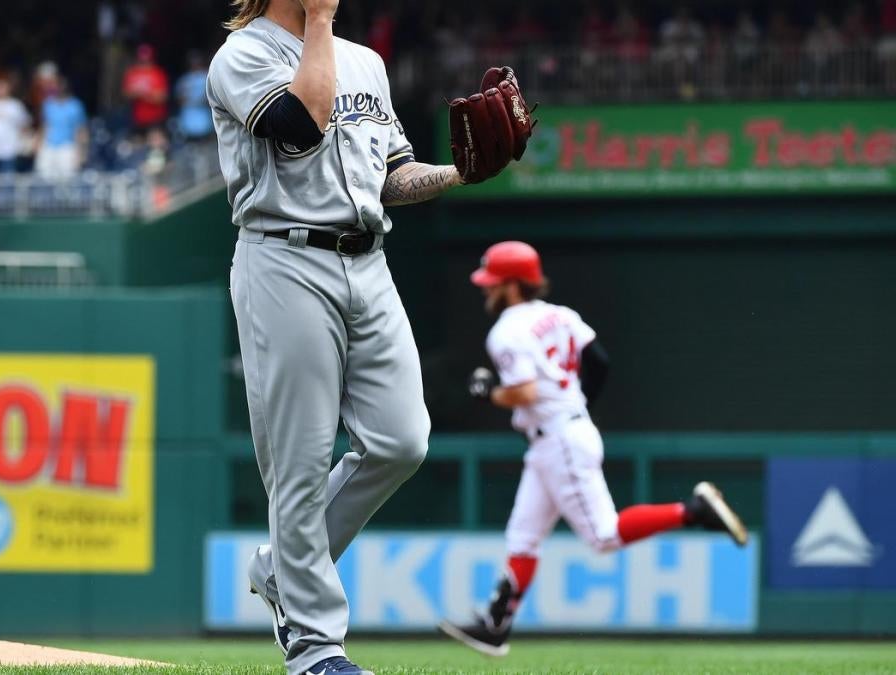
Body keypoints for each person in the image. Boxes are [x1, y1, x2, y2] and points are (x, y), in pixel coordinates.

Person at [207, 0, 469, 672]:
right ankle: (315, 645)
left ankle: (281, 568)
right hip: (283, 256)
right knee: (298, 460)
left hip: (367, 259)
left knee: (402, 438)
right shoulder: (244, 55)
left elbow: (393, 177)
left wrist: (462, 173)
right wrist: (318, 23)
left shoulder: (366, 62)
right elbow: (300, 124)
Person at [439, 241, 749, 658]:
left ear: (512, 285)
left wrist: (489, 393)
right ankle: (496, 626)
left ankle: (692, 510)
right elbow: (599, 361)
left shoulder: (506, 332)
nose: (486, 290)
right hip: (562, 434)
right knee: (523, 537)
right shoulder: (561, 315)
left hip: (558, 438)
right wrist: (580, 407)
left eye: (492, 283)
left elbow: (525, 391)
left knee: (603, 535)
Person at [36, 77, 88, 180]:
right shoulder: (48, 104)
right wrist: (38, 145)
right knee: (43, 177)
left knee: (67, 179)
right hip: (49, 146)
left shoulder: (75, 105)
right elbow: (44, 126)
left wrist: (81, 152)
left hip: (67, 146)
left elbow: (81, 130)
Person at [122, 44, 169, 135]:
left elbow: (162, 97)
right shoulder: (132, 73)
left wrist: (142, 94)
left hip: (156, 118)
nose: (144, 60)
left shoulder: (158, 73)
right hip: (136, 119)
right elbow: (125, 94)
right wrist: (144, 94)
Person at [175, 52, 214, 141]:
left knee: (206, 141)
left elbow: (213, 98)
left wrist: (204, 100)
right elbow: (179, 99)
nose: (195, 64)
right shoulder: (184, 79)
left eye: (197, 61)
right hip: (189, 114)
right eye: (193, 62)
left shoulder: (208, 76)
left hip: (205, 114)